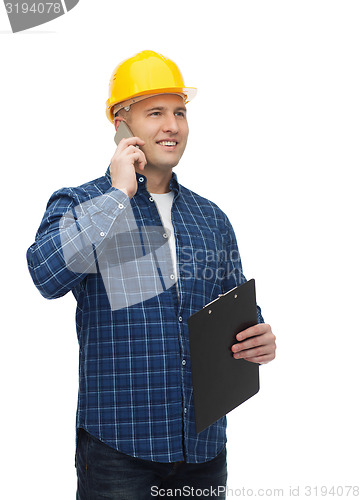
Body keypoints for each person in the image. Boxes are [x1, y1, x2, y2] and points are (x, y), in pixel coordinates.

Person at [27, 50, 276, 499]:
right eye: (155, 112)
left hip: (201, 451)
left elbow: (234, 309)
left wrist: (257, 336)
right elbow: (46, 275)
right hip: (118, 454)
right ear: (120, 124)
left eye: (179, 112)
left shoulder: (211, 219)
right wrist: (118, 194)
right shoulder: (79, 204)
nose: (173, 126)